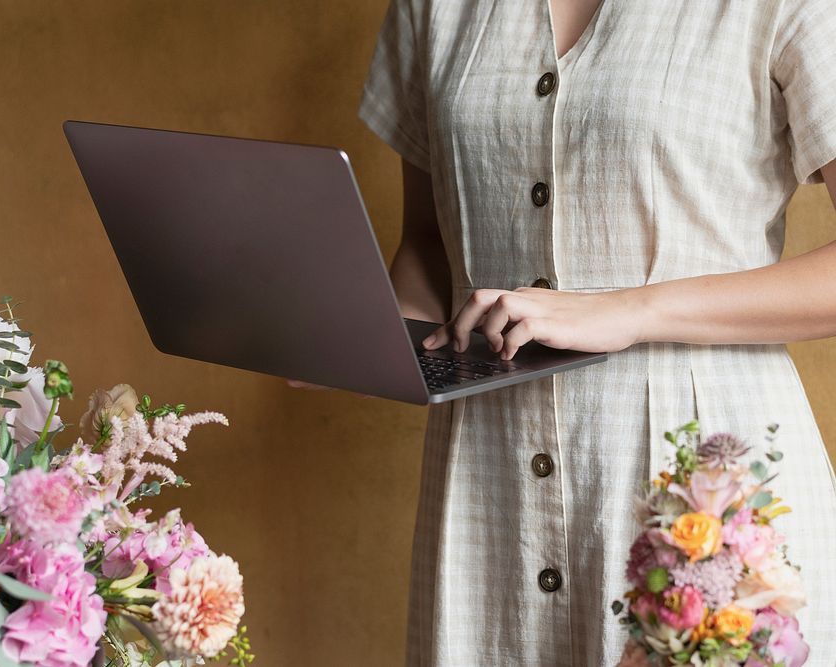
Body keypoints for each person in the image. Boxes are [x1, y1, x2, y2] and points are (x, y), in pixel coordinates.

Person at [358, 0, 836, 664]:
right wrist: (358, 336)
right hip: (487, 490)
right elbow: (428, 246)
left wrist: (630, 309)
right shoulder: (433, 7)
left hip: (702, 483)